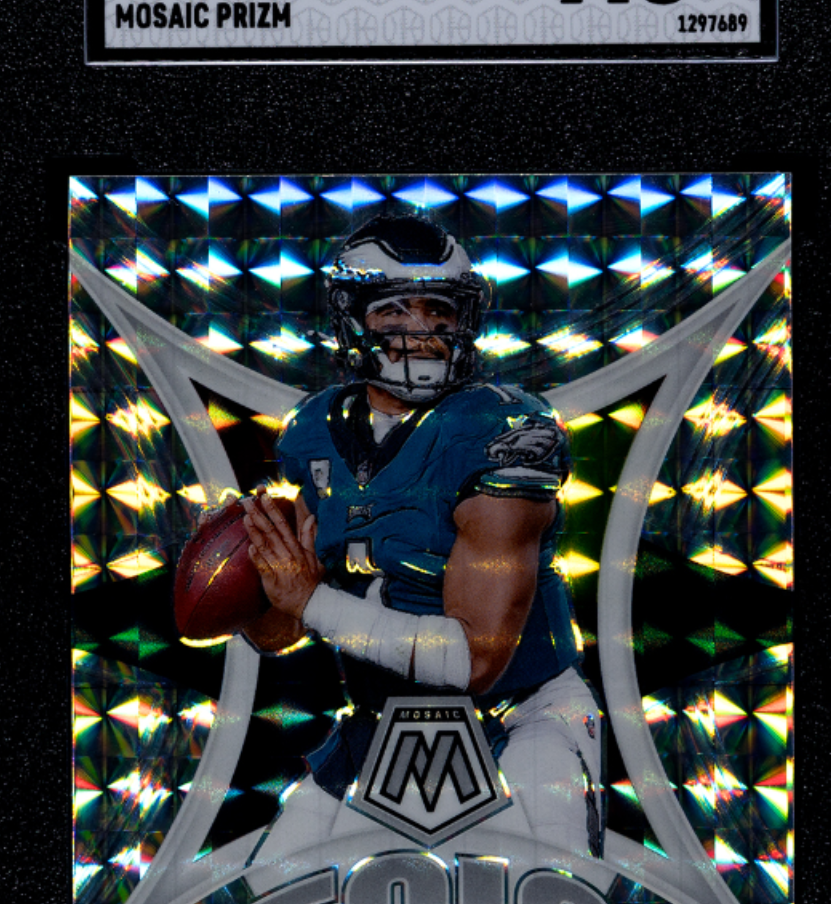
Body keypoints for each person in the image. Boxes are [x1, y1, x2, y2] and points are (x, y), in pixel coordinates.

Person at [238, 213, 603, 860]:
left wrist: (311, 601)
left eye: (439, 311)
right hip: (381, 720)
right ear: (352, 319)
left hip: (517, 716)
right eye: (394, 310)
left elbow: (472, 662)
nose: (422, 331)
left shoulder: (500, 429)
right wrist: (249, 585)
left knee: (547, 885)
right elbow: (280, 630)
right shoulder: (314, 431)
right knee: (268, 887)